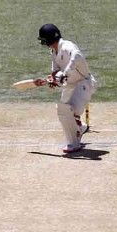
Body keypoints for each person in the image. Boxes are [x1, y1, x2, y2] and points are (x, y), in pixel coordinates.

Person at [33, 24, 96, 153]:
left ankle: (74, 143)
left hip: (83, 83)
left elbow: (77, 56)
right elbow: (55, 72)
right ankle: (80, 127)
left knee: (68, 111)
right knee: (62, 110)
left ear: (49, 39)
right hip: (70, 85)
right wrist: (51, 80)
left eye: (44, 40)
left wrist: (65, 73)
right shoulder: (53, 51)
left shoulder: (67, 46)